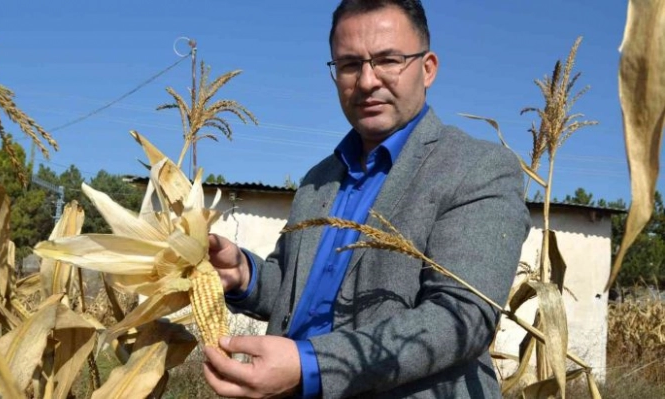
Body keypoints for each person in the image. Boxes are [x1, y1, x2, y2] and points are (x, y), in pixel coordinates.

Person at [202, 0, 530, 397]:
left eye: (388, 60)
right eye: (350, 64)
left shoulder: (477, 168)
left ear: (427, 69)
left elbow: (460, 318)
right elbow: (292, 294)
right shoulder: (318, 181)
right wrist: (244, 275)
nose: (367, 81)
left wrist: (311, 366)